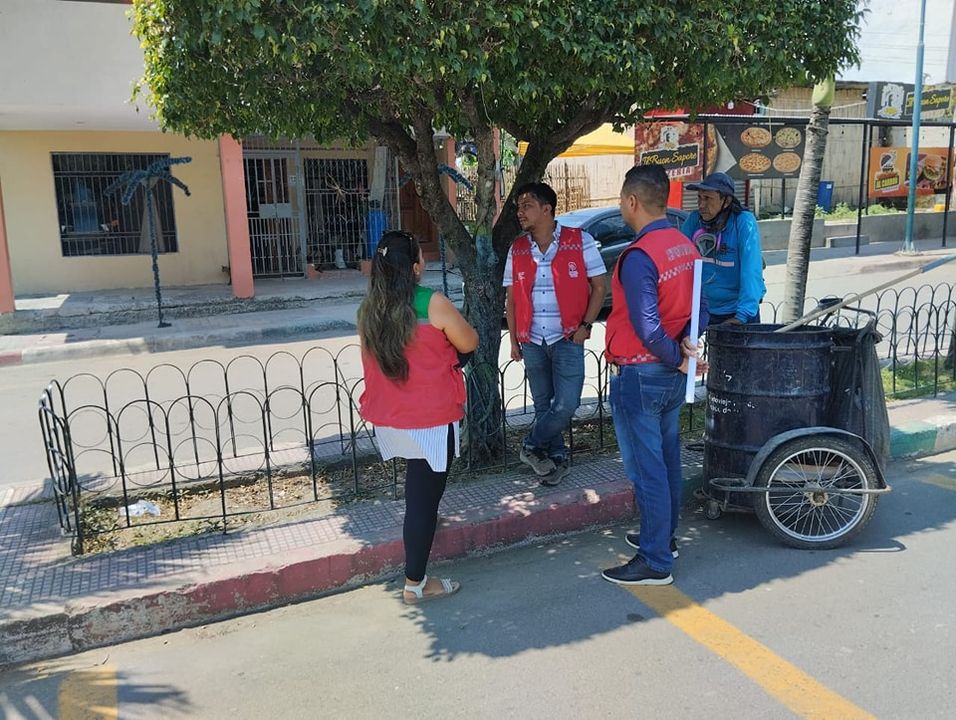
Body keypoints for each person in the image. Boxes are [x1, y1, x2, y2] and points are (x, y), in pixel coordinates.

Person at [358, 231, 479, 604]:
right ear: (414, 267)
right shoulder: (432, 302)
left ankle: (421, 536)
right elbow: (470, 342)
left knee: (419, 491)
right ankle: (416, 584)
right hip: (430, 419)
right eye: (421, 258)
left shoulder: (368, 309)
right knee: (422, 502)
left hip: (390, 417)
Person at [602, 166, 708, 586]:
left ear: (632, 201)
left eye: (620, 200)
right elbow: (702, 309)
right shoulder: (685, 246)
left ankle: (655, 560)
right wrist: (684, 348)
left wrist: (677, 356)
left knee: (648, 469)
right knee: (666, 461)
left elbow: (646, 326)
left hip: (642, 374)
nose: (620, 206)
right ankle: (664, 538)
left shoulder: (639, 256)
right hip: (668, 376)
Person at [504, 182, 608, 486]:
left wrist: (586, 326)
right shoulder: (517, 249)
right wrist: (513, 339)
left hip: (568, 336)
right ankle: (556, 459)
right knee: (543, 404)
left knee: (566, 404)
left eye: (527, 206)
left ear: (546, 209)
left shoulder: (580, 240)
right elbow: (512, 299)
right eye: (519, 207)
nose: (520, 212)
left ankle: (530, 445)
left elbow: (600, 287)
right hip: (532, 340)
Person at [680, 172, 765, 325]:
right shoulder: (694, 220)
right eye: (699, 198)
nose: (701, 205)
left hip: (738, 311)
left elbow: (751, 271)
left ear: (726, 201)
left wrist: (742, 315)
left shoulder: (744, 222)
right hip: (704, 310)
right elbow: (679, 261)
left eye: (708, 198)